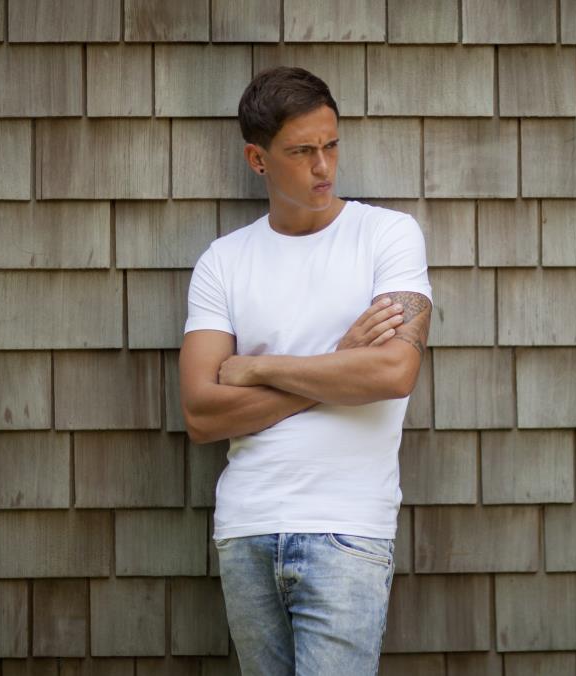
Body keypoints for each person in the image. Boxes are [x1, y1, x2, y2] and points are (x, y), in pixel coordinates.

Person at [179, 66, 432, 676]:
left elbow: (394, 372)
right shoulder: (224, 262)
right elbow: (200, 413)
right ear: (257, 159)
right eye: (302, 151)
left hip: (346, 529)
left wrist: (258, 367)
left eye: (332, 145)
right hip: (248, 527)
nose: (323, 166)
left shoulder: (387, 237)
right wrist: (341, 361)